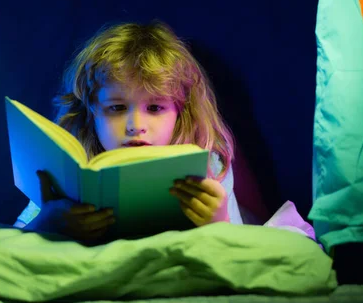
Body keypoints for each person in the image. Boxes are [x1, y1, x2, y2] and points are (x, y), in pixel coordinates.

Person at [22, 20, 245, 242]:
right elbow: (11, 244)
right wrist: (47, 223)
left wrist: (220, 221)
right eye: (117, 108)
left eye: (155, 108)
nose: (136, 125)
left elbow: (244, 253)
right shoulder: (68, 175)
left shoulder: (209, 167)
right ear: (91, 114)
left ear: (180, 113)